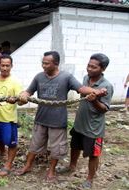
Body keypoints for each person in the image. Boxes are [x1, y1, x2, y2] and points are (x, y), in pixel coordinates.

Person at [16, 51, 107, 181]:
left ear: (56, 64)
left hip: (58, 121)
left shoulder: (66, 77)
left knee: (56, 148)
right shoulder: (39, 77)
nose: (43, 66)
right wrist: (24, 95)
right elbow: (28, 91)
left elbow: (81, 89)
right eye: (42, 63)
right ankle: (28, 165)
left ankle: (51, 171)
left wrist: (96, 91)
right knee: (34, 145)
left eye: (46, 63)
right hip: (41, 119)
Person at [59, 53, 113, 189]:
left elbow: (104, 109)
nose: (89, 69)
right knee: (75, 146)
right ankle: (71, 166)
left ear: (103, 69)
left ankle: (89, 179)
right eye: (88, 65)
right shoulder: (86, 78)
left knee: (94, 154)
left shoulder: (107, 86)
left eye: (93, 67)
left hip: (94, 128)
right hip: (80, 123)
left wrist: (95, 100)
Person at [0, 54, 23, 176]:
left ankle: (8, 165)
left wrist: (16, 99)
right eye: (2, 65)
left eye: (7, 66)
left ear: (11, 66)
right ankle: (2, 153)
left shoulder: (15, 82)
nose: (5, 68)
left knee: (11, 143)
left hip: (9, 120)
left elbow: (21, 101)